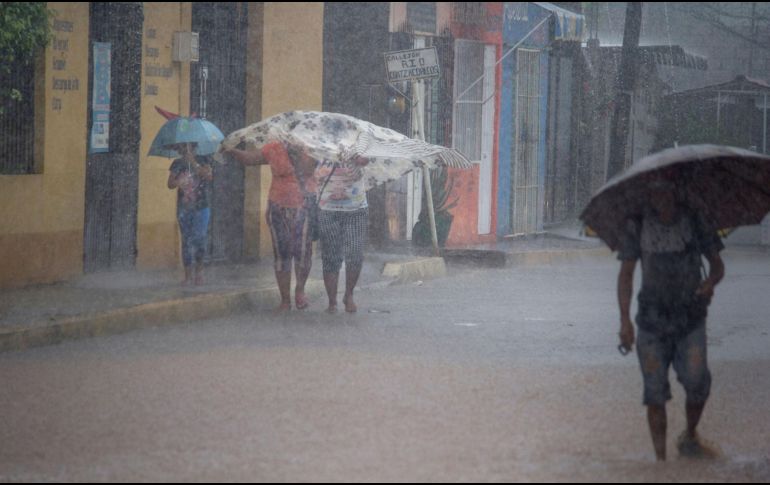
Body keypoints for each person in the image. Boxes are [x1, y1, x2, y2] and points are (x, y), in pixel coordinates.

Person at [616, 174, 725, 462]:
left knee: (698, 382)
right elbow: (626, 274)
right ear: (648, 193)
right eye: (654, 191)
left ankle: (689, 434)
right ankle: (661, 464)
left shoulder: (695, 220)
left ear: (675, 191)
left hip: (690, 320)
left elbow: (717, 265)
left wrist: (710, 283)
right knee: (654, 393)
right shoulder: (637, 224)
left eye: (665, 190)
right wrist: (625, 321)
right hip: (651, 322)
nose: (659, 197)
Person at [224, 142, 317, 311]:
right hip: (277, 205)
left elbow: (308, 170)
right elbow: (250, 159)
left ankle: (300, 291)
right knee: (282, 253)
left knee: (303, 252)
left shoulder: (312, 148)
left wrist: (296, 154)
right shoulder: (274, 147)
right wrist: (233, 151)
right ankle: (285, 299)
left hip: (304, 204)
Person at [316, 154, 370, 314]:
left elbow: (366, 159)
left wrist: (358, 158)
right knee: (330, 255)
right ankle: (332, 301)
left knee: (355, 253)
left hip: (356, 207)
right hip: (327, 207)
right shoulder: (318, 139)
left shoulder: (359, 138)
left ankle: (349, 294)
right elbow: (308, 164)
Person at [167, 142, 214, 286]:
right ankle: (187, 275)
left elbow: (208, 176)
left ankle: (199, 273)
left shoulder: (203, 160)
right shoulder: (177, 164)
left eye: (188, 147)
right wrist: (179, 182)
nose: (185, 150)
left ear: (194, 148)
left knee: (199, 239)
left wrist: (193, 163)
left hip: (201, 207)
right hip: (184, 208)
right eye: (182, 148)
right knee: (186, 241)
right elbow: (170, 184)